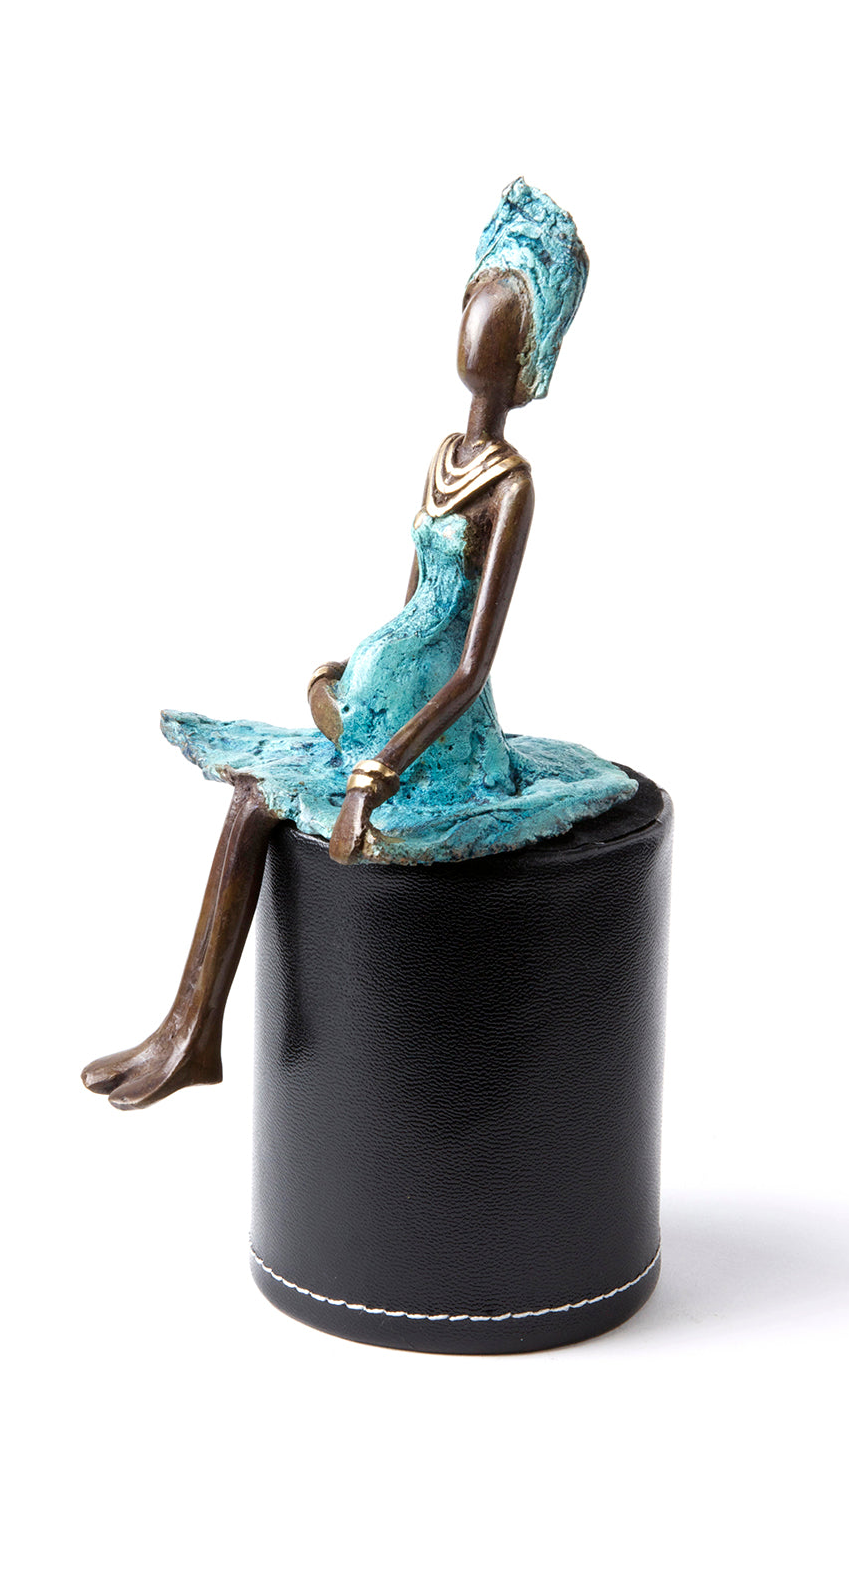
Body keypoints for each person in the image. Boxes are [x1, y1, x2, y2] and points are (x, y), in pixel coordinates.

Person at [82, 179, 638, 1110]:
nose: (477, 333)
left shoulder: (512, 485)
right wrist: (353, 675)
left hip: (439, 739)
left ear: (528, 358)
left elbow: (473, 662)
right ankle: (187, 1028)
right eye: (475, 307)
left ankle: (196, 1033)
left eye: (502, 322)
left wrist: (384, 763)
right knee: (252, 796)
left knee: (267, 798)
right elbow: (412, 601)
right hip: (390, 697)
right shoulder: (442, 456)